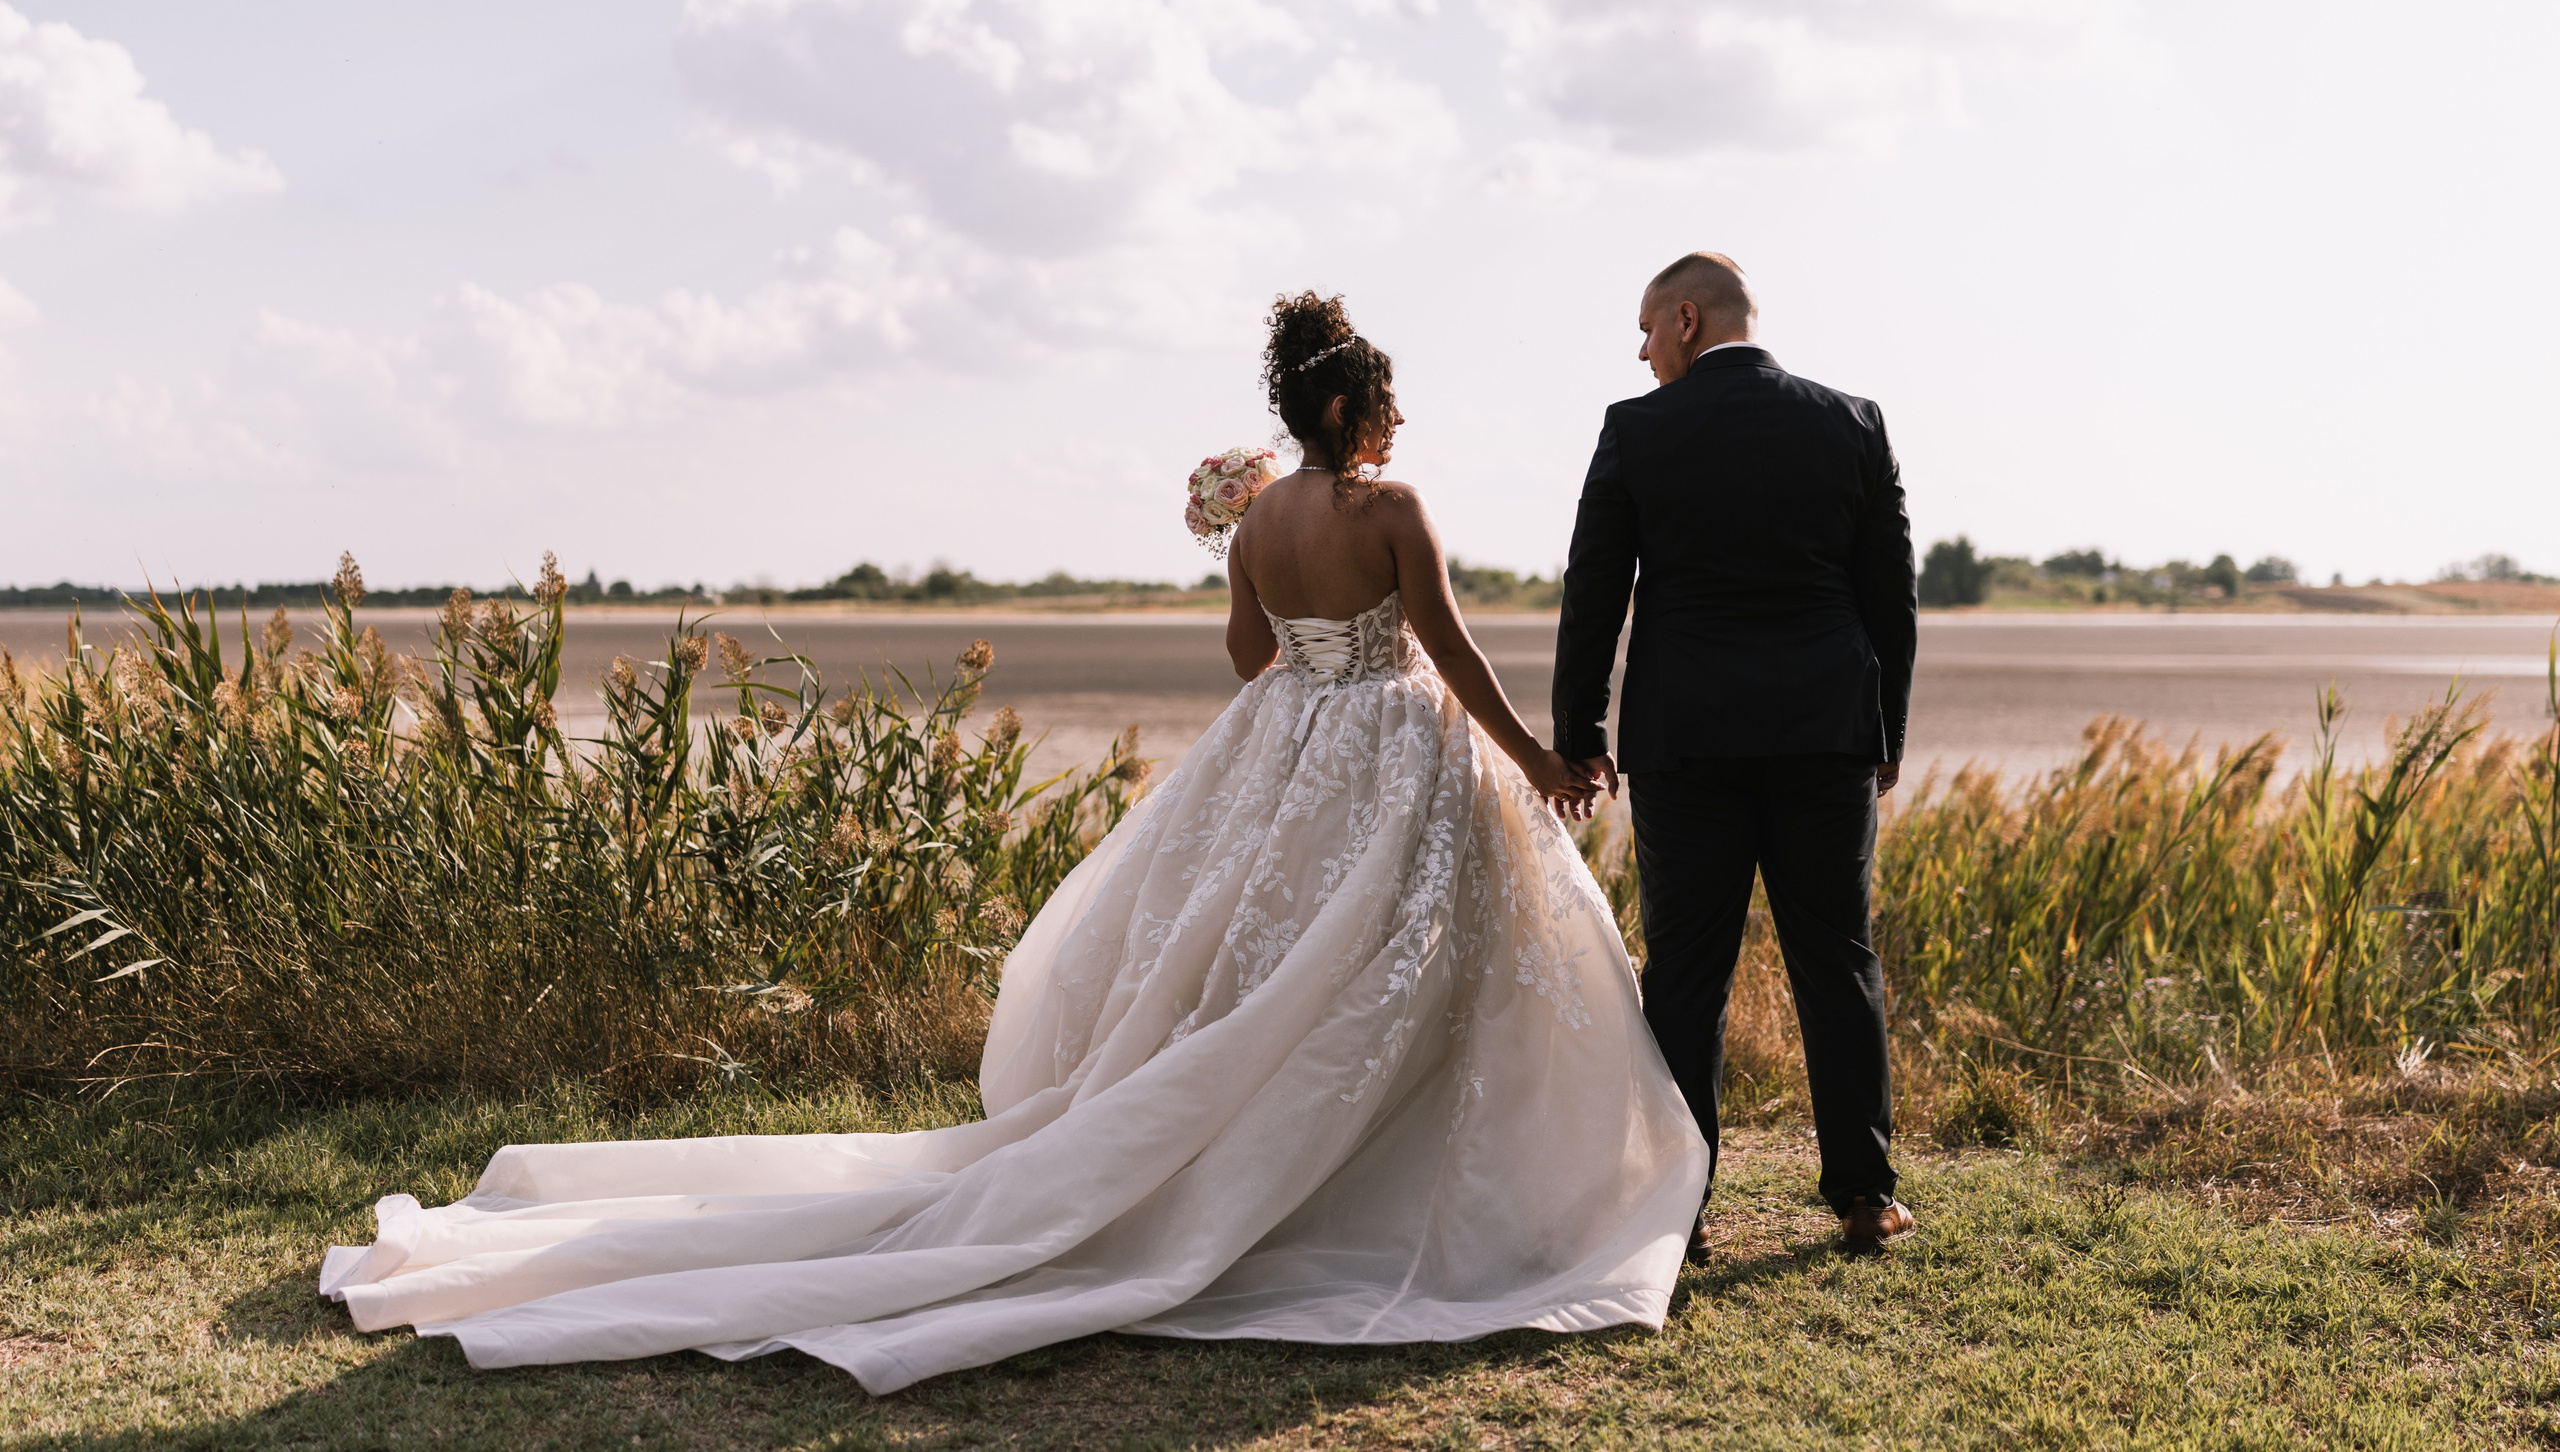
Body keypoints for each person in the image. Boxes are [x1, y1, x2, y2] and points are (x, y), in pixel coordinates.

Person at [321, 291, 1710, 1394]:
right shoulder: (1385, 510)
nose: (1397, 430)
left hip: (1292, 746)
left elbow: (1249, 661)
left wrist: (1296, 624)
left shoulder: (1256, 529)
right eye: (1388, 408)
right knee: (1388, 972)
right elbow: (1452, 650)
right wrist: (1532, 757)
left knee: (1278, 970)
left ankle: (1320, 1173)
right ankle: (1406, 1192)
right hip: (1390, 740)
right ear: (1347, 409)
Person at [1553, 252, 1918, 1260]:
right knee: (1836, 962)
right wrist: (1885, 725)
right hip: (1823, 733)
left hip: (1686, 740)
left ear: (1683, 317)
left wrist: (1578, 736)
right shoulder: (1851, 421)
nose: (1639, 352)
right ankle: (1862, 1196)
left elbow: (1595, 592)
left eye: (1643, 329)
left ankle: (1683, 1209)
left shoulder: (1637, 428)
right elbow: (1889, 591)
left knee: (1685, 975)